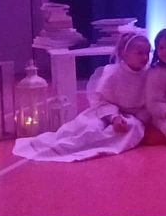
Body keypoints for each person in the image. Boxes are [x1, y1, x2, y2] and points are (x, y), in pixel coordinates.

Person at [12, 29, 150, 162]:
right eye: (139, 53)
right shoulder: (112, 74)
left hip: (131, 116)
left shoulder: (148, 73)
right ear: (125, 54)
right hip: (107, 113)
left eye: (147, 53)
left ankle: (98, 145)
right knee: (91, 128)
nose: (145, 57)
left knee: (132, 128)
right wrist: (114, 117)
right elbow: (102, 101)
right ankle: (63, 147)